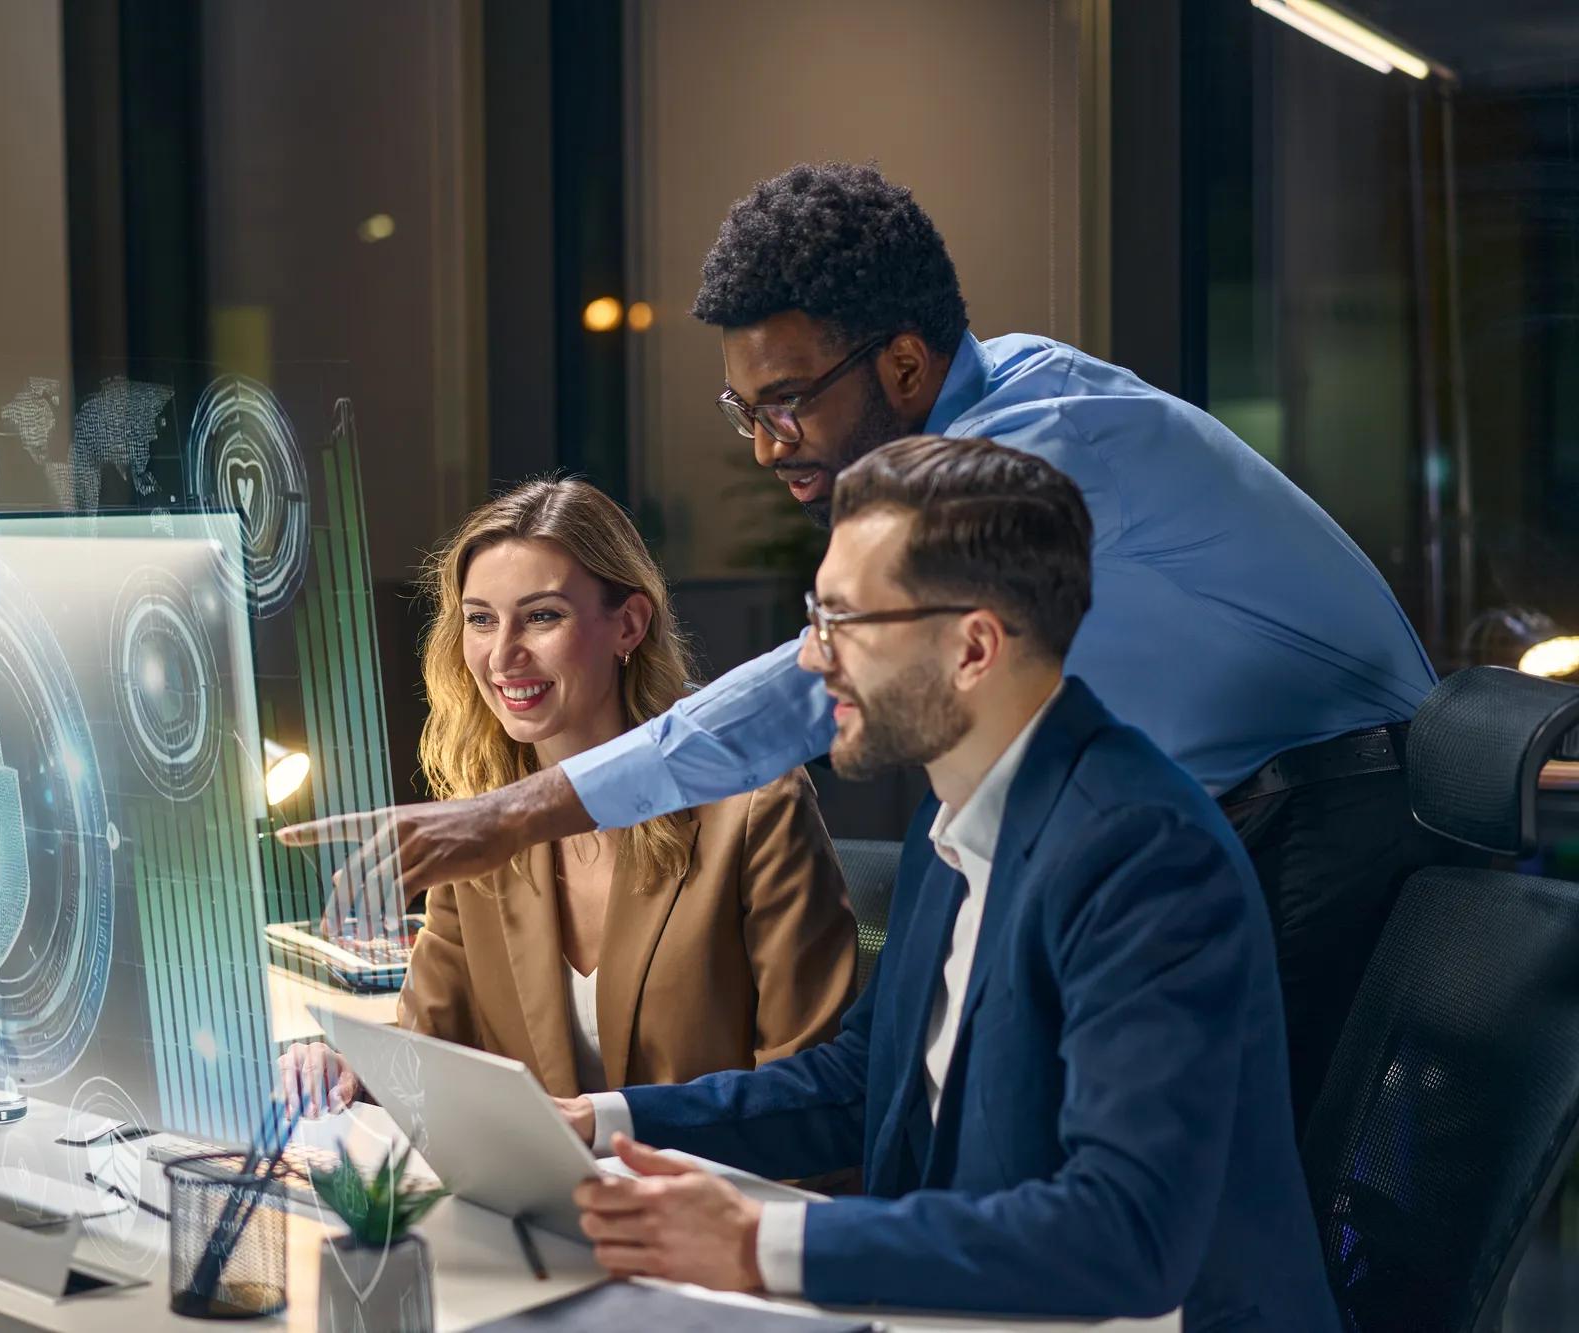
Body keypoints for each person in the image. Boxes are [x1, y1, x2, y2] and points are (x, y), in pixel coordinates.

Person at [281, 162, 1442, 1134]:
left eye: (785, 402)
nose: (762, 447)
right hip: (1213, 804)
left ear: (899, 365)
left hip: (1326, 803)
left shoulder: (1029, 455)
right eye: (744, 411)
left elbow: (806, 686)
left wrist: (517, 810)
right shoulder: (980, 422)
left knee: (1226, 1185)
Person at [557, 437, 1338, 1332]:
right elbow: (864, 1082)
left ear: (973, 647)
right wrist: (601, 1119)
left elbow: (1124, 1235)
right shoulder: (954, 820)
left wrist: (761, 1244)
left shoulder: (1143, 854)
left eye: (846, 622)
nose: (814, 660)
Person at [281, 479, 856, 1114]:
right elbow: (433, 1050)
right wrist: (352, 1070)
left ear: (629, 625)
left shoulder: (755, 807)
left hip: (715, 1200)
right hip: (543, 1205)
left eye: (543, 616)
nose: (503, 656)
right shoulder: (480, 819)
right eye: (480, 620)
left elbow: (812, 1094)